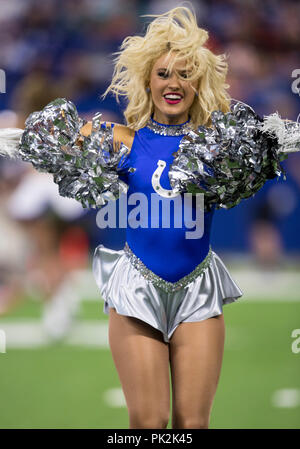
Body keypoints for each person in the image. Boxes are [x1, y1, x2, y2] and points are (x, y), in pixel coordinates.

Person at [0, 6, 299, 430]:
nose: (173, 83)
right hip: (137, 291)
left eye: (184, 74)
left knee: (193, 424)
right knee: (149, 423)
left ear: (198, 82)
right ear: (147, 81)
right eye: (163, 74)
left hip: (198, 289)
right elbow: (40, 137)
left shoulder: (217, 146)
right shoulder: (125, 140)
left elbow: (280, 138)